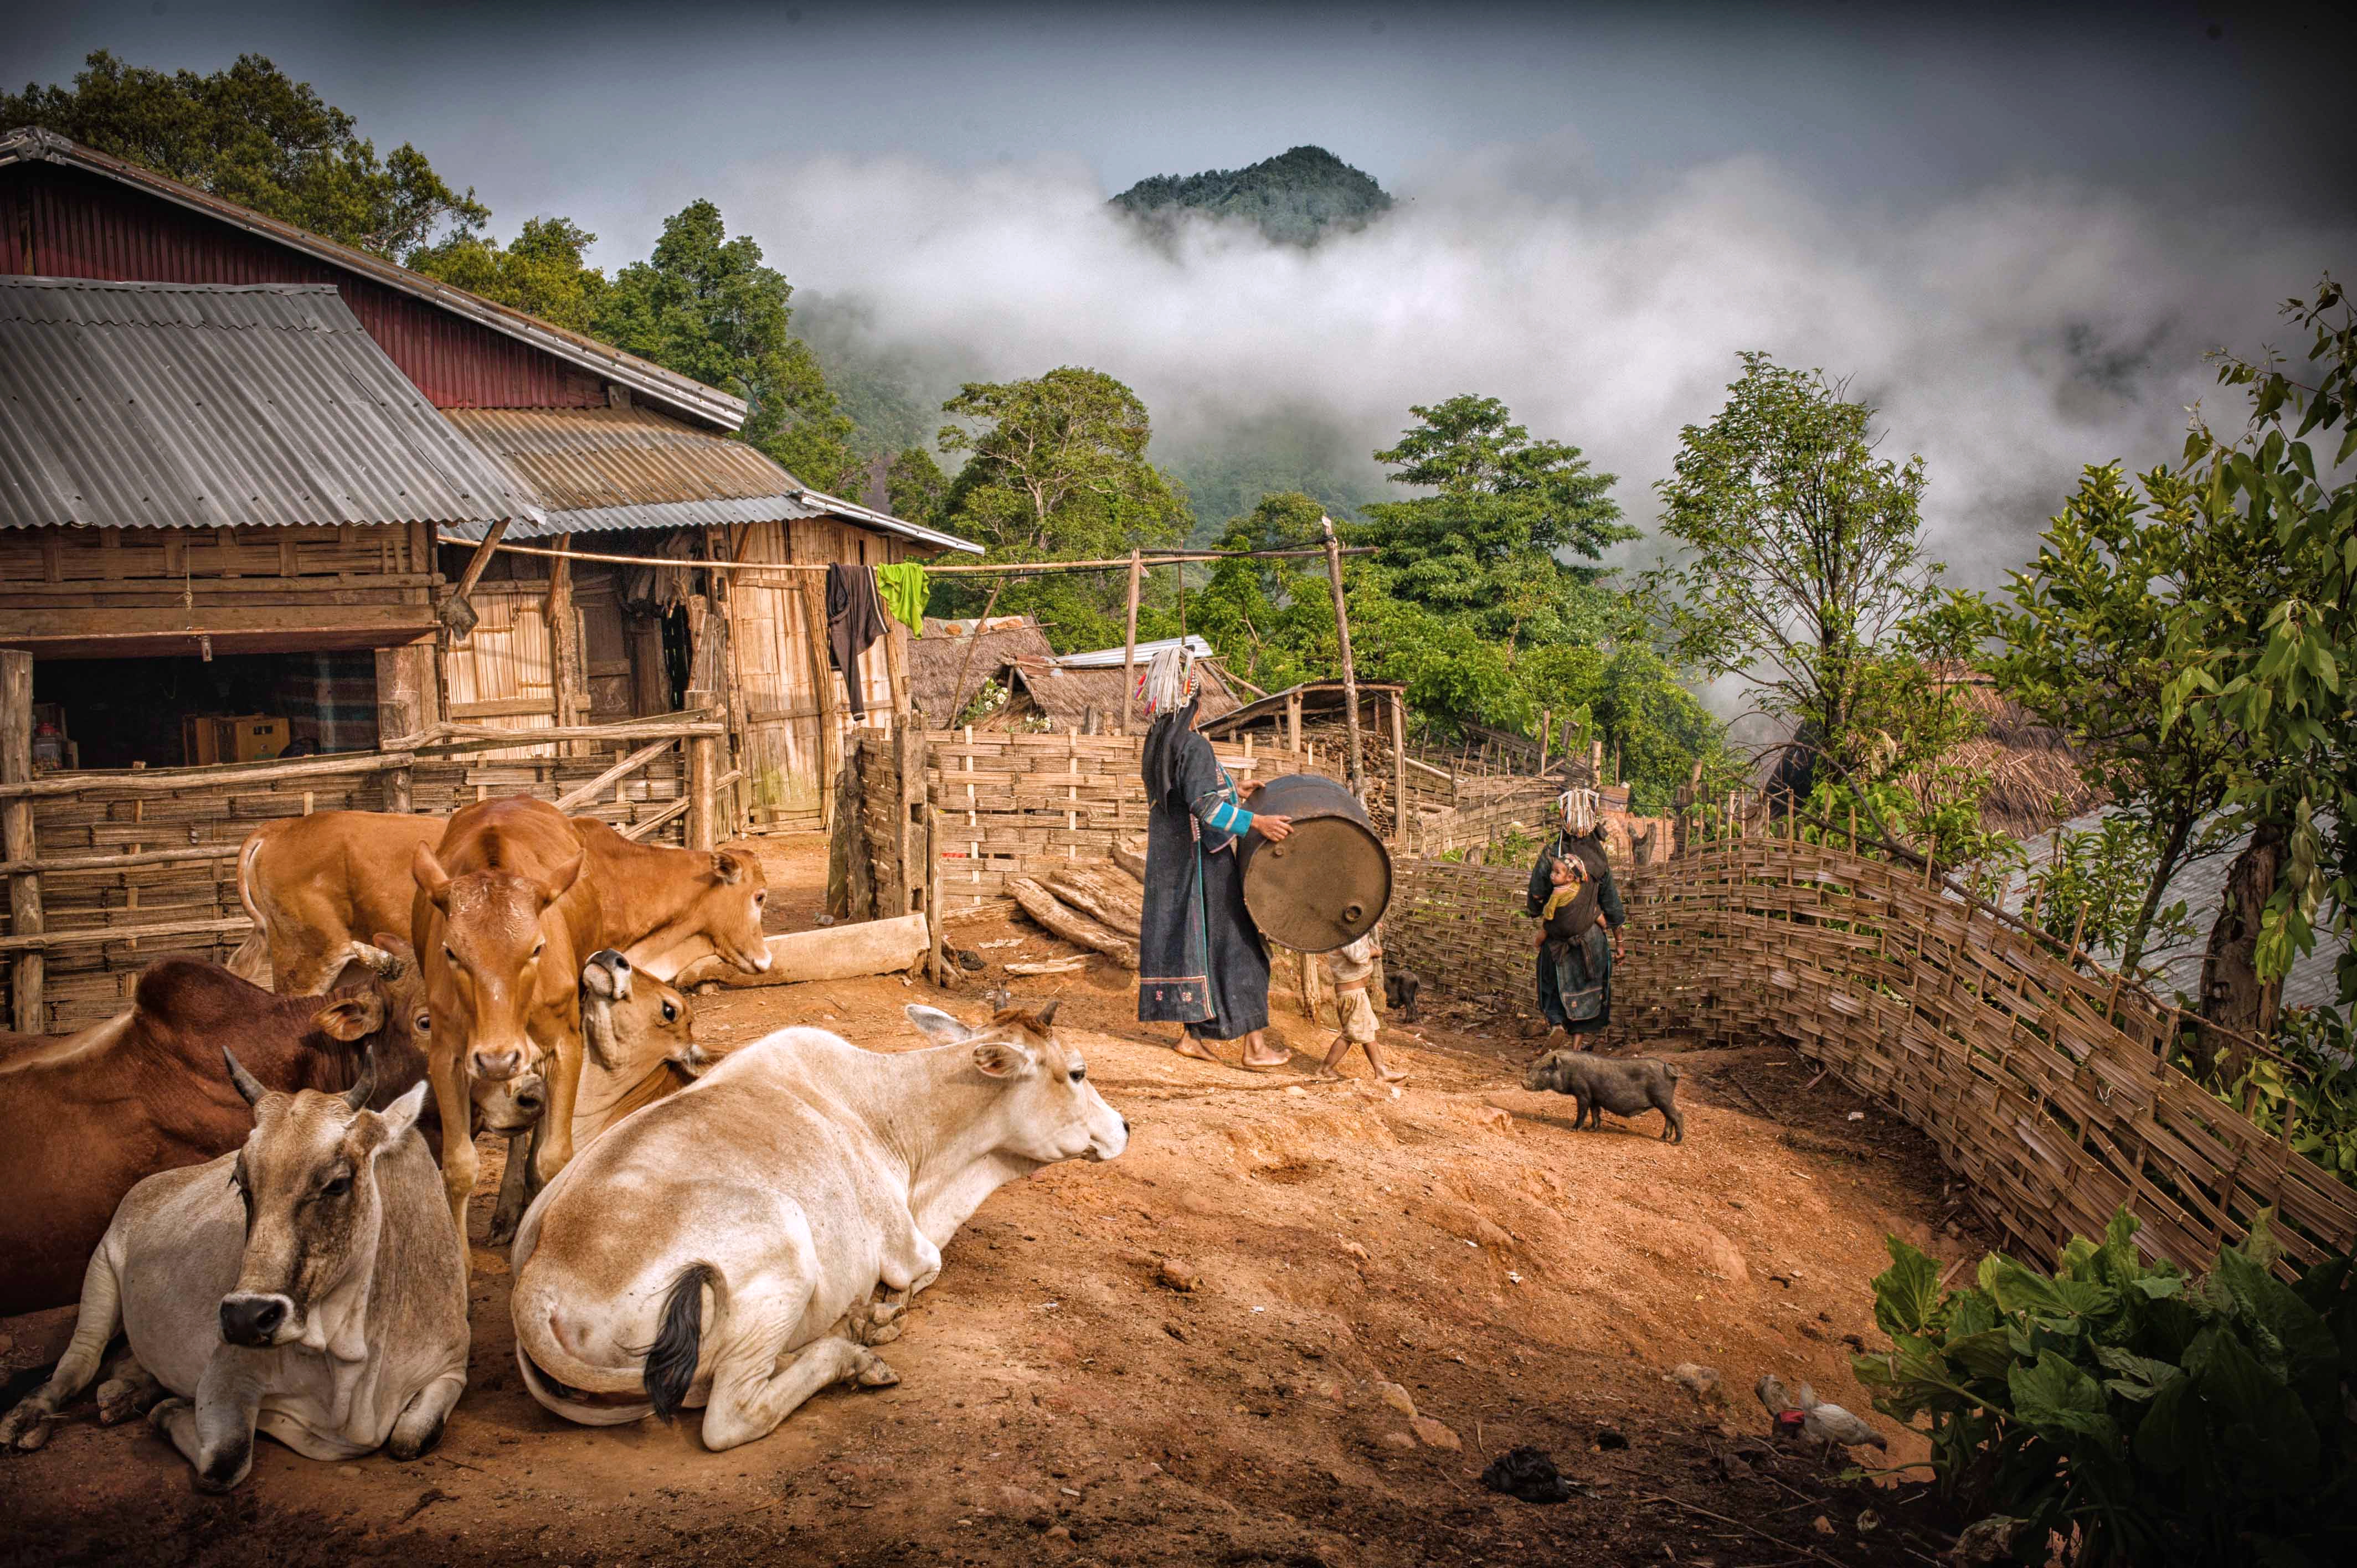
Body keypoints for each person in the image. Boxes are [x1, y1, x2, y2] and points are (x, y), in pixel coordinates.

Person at [1135, 647, 1294, 1069]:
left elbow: (1190, 793)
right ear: (1195, 702)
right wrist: (1256, 822)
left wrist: (1231, 786)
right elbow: (1205, 810)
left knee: (1196, 947)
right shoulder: (1193, 745)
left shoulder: (1158, 743)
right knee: (1244, 949)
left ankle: (1192, 1038)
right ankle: (1255, 1048)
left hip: (1175, 866)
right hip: (1205, 863)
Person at [1527, 787, 1625, 1049]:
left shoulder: (1552, 855)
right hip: (1591, 939)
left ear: (1564, 816)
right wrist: (1619, 942)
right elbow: (1612, 904)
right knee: (1588, 988)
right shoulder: (1599, 857)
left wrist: (1541, 910)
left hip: (1558, 937)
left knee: (1552, 983)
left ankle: (1557, 1024)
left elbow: (1536, 895)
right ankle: (1577, 1045)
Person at [1319, 926, 1406, 1084]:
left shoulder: (1355, 930)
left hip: (1356, 993)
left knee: (1366, 1030)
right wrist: (1373, 951)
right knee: (1350, 1034)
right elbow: (1357, 956)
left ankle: (1381, 1070)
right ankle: (1325, 1068)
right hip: (1352, 995)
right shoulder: (1345, 931)